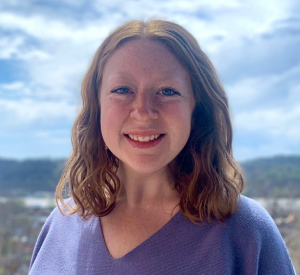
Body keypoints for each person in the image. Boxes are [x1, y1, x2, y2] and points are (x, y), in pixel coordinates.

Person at [29, 20, 295, 274]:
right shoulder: (60, 224)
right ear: (97, 106)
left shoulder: (245, 233)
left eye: (167, 91)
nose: (143, 111)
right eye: (122, 89)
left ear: (196, 109)